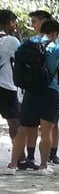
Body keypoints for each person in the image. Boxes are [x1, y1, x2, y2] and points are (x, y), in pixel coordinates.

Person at [15, 18, 59, 172]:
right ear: (54, 33)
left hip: (30, 91)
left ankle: (17, 163)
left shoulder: (26, 44)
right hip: (50, 91)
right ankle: (43, 166)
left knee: (25, 128)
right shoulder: (56, 47)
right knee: (46, 130)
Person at [22, 9, 59, 166]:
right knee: (31, 125)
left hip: (52, 87)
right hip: (34, 87)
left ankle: (52, 154)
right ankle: (31, 156)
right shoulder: (32, 41)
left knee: (52, 124)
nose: (33, 25)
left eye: (35, 22)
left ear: (44, 21)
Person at [0, 9, 21, 170]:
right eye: (14, 22)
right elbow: (22, 58)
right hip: (6, 86)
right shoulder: (10, 41)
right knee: (15, 122)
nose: (15, 26)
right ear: (9, 23)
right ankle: (20, 157)